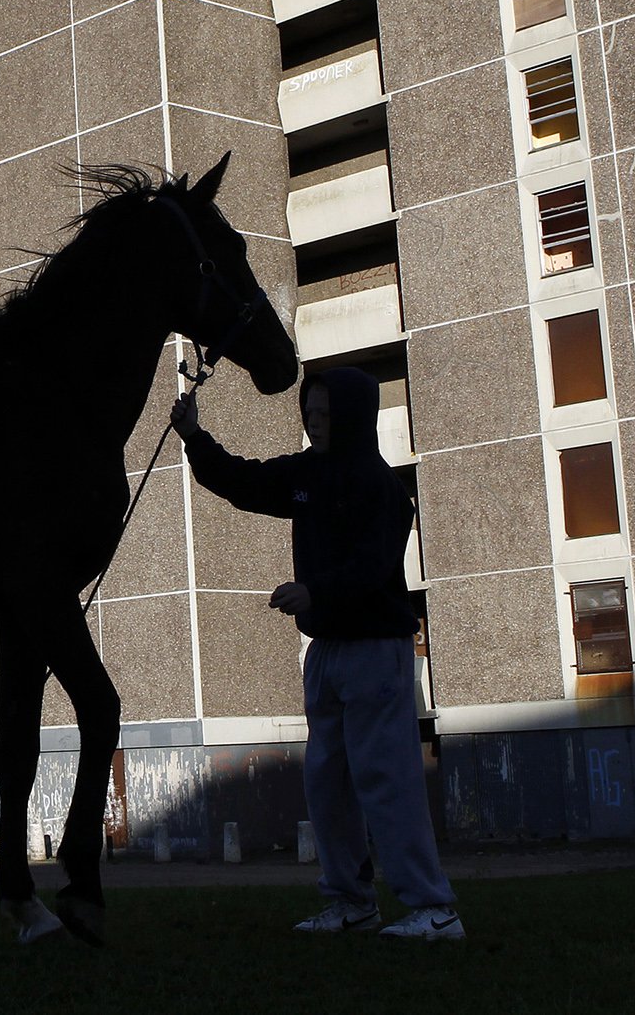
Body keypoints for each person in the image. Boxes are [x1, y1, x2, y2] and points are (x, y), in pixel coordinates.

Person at [172, 367, 463, 942]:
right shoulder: (307, 473)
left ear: (353, 415)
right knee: (327, 782)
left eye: (326, 413)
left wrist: (316, 591)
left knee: (388, 779)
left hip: (376, 650)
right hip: (326, 649)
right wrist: (194, 437)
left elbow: (375, 568)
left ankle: (435, 909)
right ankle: (351, 902)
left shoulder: (383, 489)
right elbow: (242, 482)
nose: (315, 421)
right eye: (310, 411)